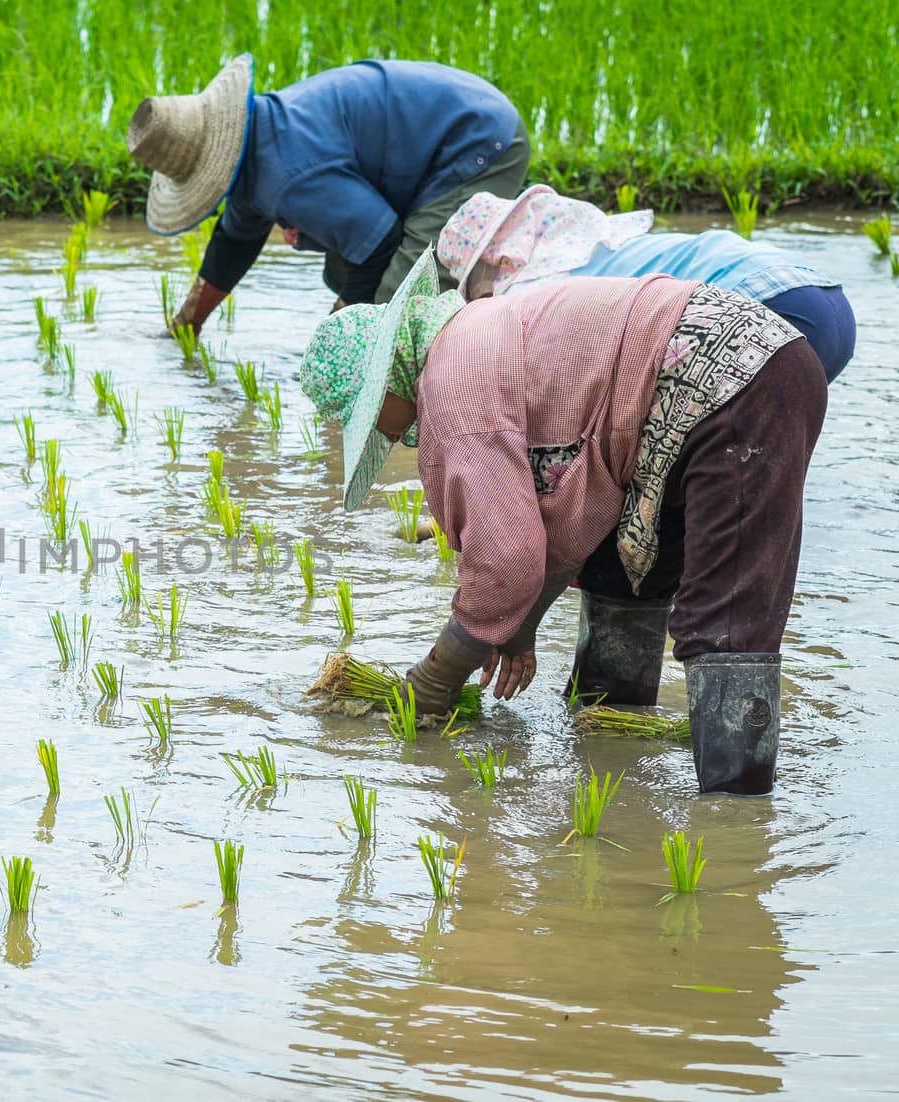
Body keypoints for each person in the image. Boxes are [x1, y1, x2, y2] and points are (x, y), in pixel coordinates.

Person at [299, 248, 827, 796]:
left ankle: (734, 820)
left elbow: (505, 559)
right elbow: (562, 517)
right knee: (621, 567)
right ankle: (615, 740)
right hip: (726, 383)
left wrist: (433, 683)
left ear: (382, 384)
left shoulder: (450, 380)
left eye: (362, 418)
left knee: (725, 618)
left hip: (735, 384)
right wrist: (520, 626)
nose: (380, 435)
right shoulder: (474, 339)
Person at [125, 55, 529, 333]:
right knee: (345, 269)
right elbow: (232, 246)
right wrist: (185, 328)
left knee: (399, 307)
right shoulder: (258, 142)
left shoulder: (287, 173)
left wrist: (337, 341)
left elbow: (380, 242)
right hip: (431, 142)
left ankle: (476, 358)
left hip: (476, 141)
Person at [436, 185, 858, 381]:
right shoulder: (595, 247)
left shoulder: (534, 293)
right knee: (758, 462)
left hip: (761, 310)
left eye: (476, 289)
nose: (483, 301)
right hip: (825, 299)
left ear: (495, 263)